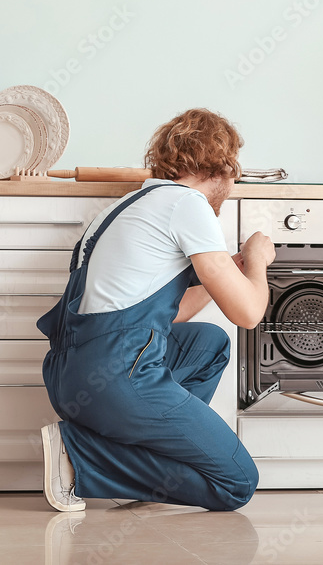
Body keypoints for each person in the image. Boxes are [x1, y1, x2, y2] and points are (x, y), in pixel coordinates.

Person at [38, 108, 275, 512]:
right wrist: (257, 260)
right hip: (119, 378)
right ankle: (82, 455)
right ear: (221, 166)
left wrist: (226, 269)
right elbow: (249, 314)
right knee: (237, 482)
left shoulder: (128, 206)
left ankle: (144, 464)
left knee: (209, 343)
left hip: (72, 375)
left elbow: (169, 312)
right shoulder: (187, 204)